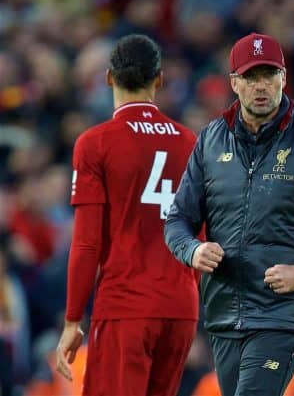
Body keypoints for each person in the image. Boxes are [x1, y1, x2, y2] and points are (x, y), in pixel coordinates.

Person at [164, 32, 294, 396]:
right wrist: (192, 251)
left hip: (283, 313)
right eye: (251, 77)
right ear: (234, 84)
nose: (261, 86)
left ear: (283, 79)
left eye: (269, 75)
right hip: (225, 313)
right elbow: (178, 220)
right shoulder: (210, 141)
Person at [55, 34, 199, 396]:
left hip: (127, 305)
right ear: (159, 79)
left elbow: (87, 243)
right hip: (181, 309)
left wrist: (73, 320)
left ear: (108, 78)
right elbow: (203, 235)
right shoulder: (191, 142)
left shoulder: (96, 143)